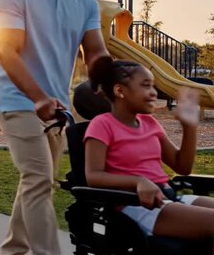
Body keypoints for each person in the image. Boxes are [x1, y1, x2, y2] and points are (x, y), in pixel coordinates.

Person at [0, 0, 110, 255]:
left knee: (36, 182)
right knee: (39, 179)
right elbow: (8, 52)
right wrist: (38, 97)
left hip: (56, 107)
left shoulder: (85, 0)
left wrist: (109, 82)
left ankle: (13, 250)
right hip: (18, 99)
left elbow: (97, 51)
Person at [85, 56, 214, 247]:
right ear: (120, 90)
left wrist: (189, 127)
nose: (154, 93)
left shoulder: (150, 123)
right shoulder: (102, 125)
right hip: (135, 204)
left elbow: (182, 166)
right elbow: (93, 176)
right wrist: (138, 181)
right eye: (146, 86)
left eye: (153, 86)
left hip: (167, 196)